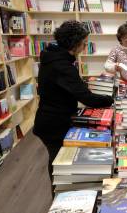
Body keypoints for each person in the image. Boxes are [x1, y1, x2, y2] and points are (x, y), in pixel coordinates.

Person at [33, 20, 114, 189]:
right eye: (84, 44)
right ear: (75, 44)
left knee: (58, 162)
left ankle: (61, 191)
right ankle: (59, 196)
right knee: (59, 165)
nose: (85, 48)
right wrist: (111, 98)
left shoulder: (53, 55)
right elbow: (87, 98)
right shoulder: (62, 65)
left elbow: (68, 87)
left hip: (50, 118)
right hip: (53, 125)